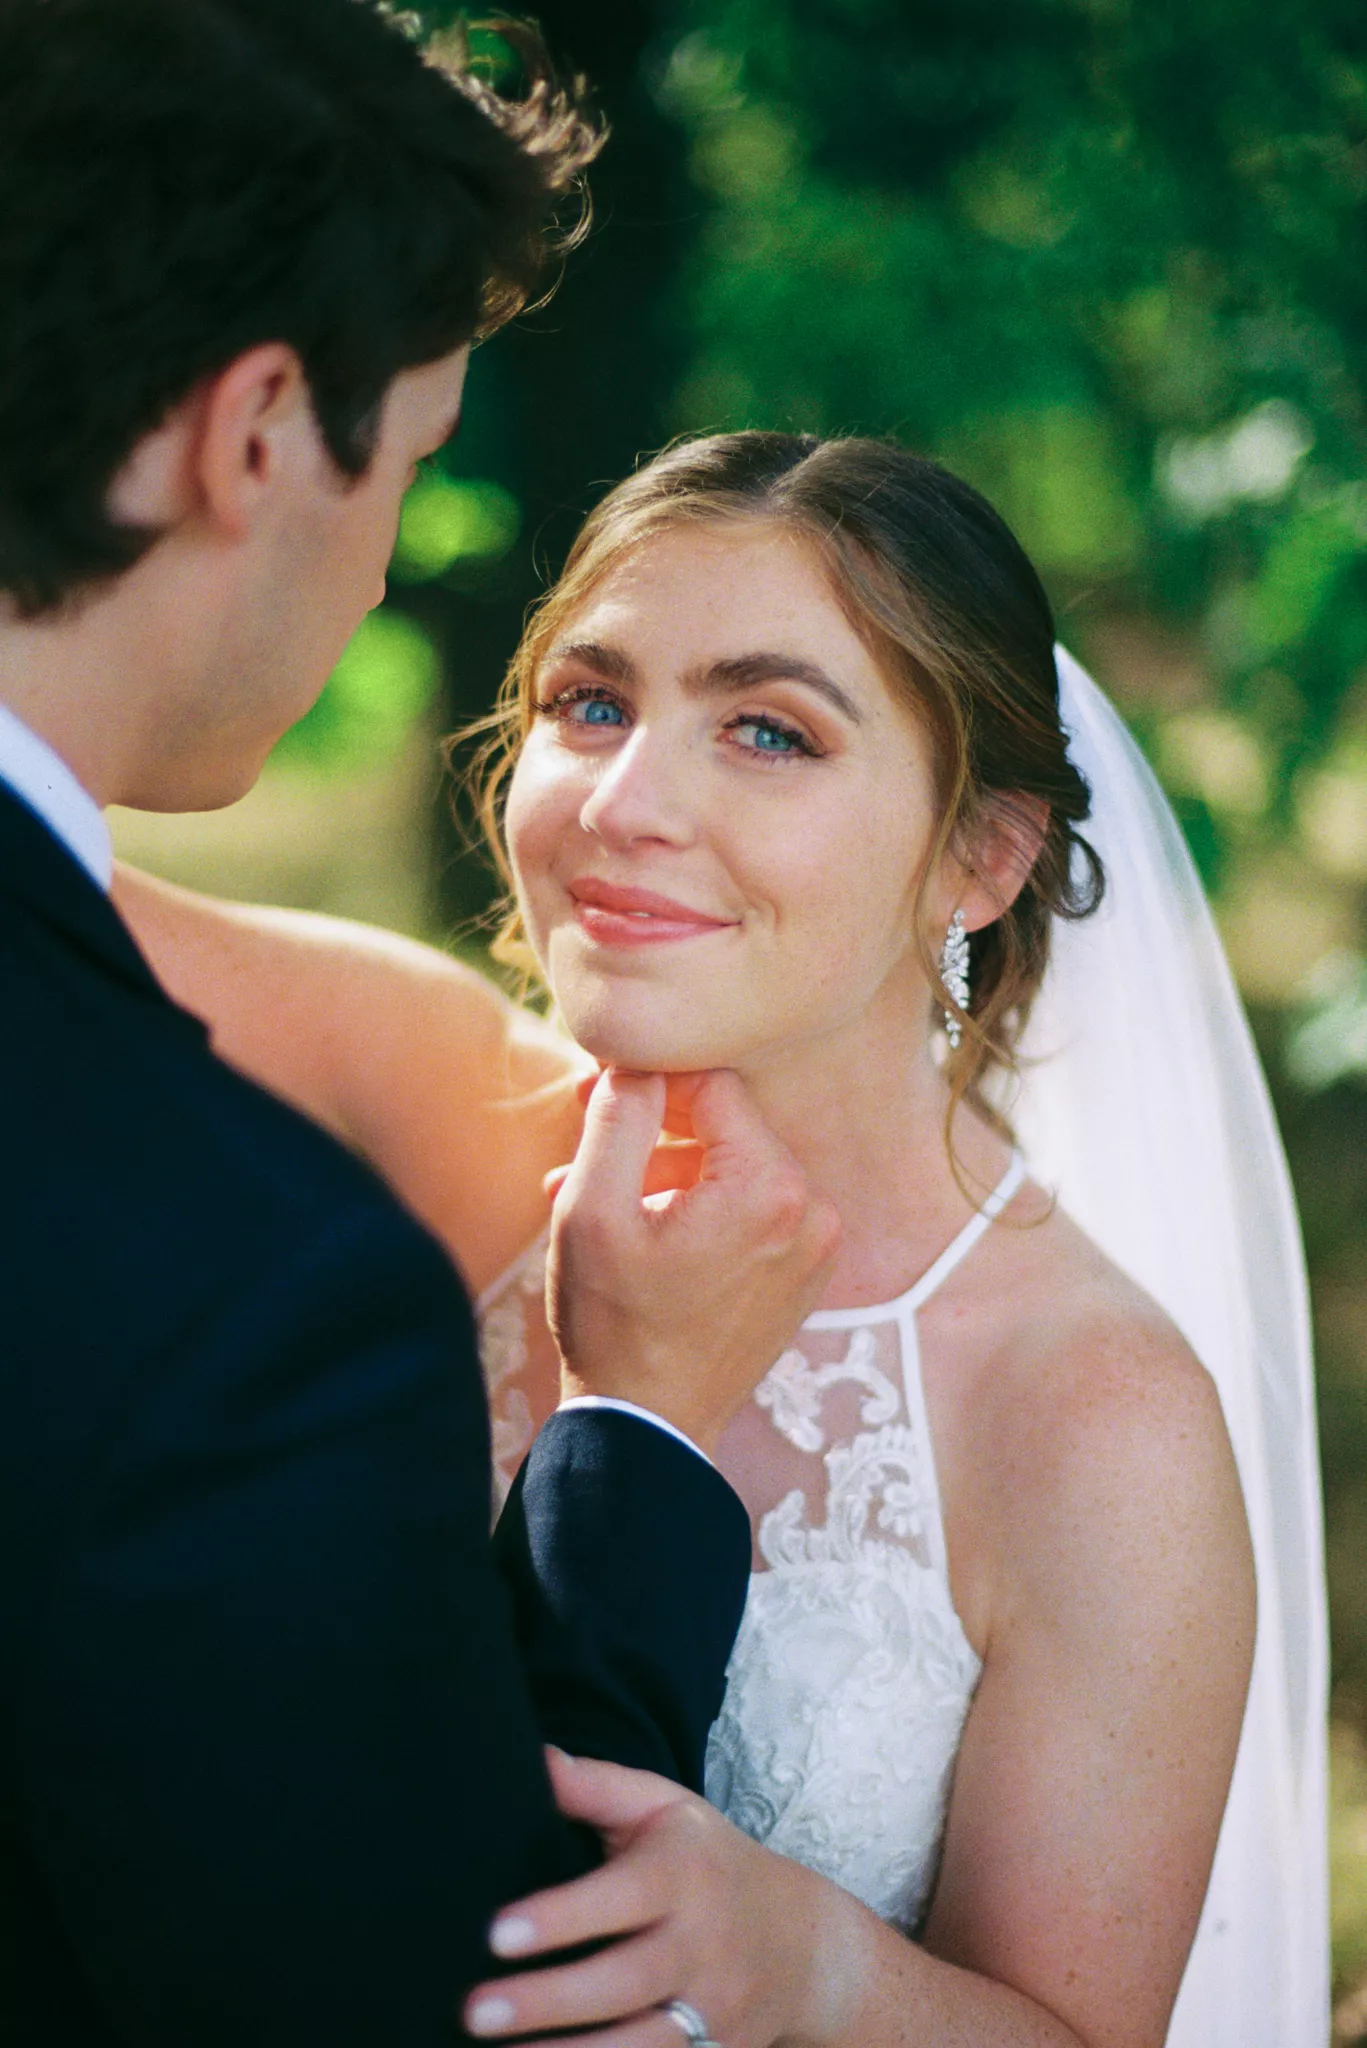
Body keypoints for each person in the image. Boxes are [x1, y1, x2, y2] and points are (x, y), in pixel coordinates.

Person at [120, 430, 1330, 2048]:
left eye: (767, 731)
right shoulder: (410, 1089)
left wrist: (805, 1965)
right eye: (590, 704)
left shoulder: (1091, 1408)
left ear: (982, 854)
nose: (624, 804)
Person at [0, 9, 842, 2042]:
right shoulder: (241, 1279)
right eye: (421, 457)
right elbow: (463, 1990)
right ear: (259, 425)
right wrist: (632, 1444)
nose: (381, 578)